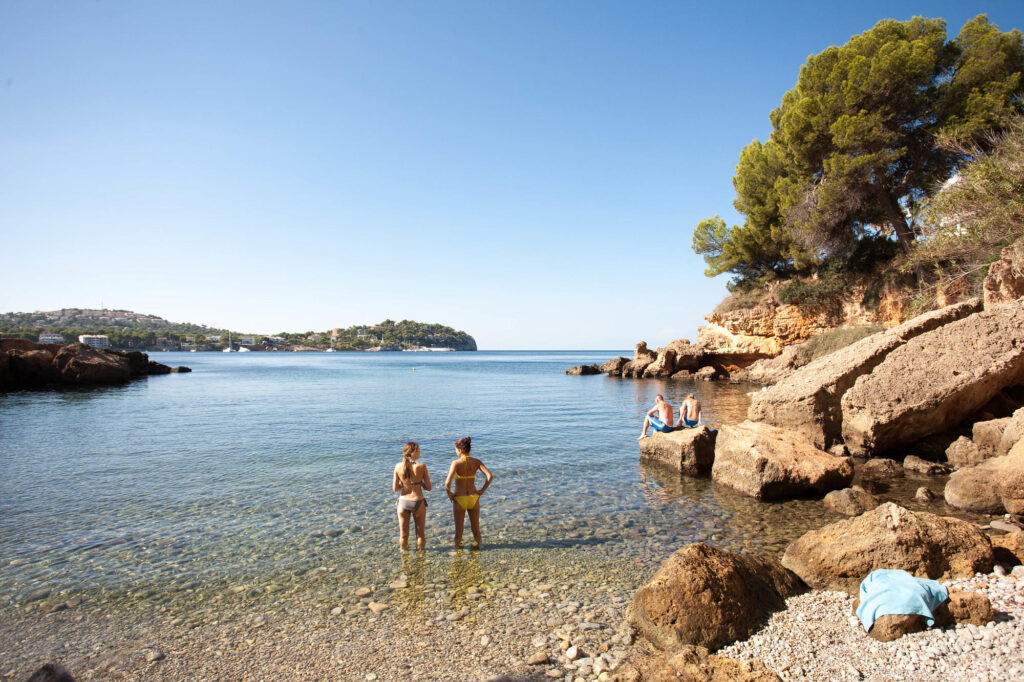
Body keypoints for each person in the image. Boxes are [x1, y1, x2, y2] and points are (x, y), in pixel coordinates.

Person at [444, 436, 493, 548]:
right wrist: (481, 491)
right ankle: (478, 551)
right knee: (476, 528)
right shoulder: (476, 462)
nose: (456, 451)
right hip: (473, 498)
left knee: (459, 531)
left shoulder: (456, 463)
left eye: (456, 449)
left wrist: (450, 494)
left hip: (459, 498)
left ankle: (457, 555)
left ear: (460, 450)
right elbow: (490, 476)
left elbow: (447, 483)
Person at [393, 441, 431, 551]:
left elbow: (395, 488)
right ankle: (421, 558)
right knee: (420, 535)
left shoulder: (398, 466)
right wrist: (420, 483)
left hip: (403, 502)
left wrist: (404, 484)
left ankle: (404, 560)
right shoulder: (421, 466)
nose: (420, 452)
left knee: (403, 536)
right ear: (412, 453)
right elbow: (428, 487)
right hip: (417, 501)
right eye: (418, 450)